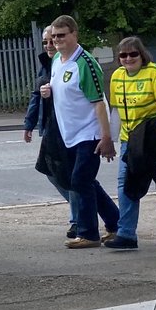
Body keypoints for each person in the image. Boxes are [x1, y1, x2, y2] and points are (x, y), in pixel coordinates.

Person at [44, 15, 119, 249]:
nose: (57, 41)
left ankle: (89, 233)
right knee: (86, 181)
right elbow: (64, 92)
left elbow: (98, 102)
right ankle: (117, 222)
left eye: (62, 35)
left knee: (80, 180)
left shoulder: (84, 63)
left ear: (74, 34)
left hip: (90, 133)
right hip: (70, 134)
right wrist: (48, 91)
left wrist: (106, 138)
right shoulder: (57, 60)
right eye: (54, 36)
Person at [107, 36, 156, 251]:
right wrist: (110, 140)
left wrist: (151, 131)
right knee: (127, 186)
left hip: (155, 141)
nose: (128, 59)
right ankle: (126, 234)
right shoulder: (117, 76)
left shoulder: (154, 73)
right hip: (130, 142)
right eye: (123, 55)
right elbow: (115, 110)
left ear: (142, 55)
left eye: (133, 54)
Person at [25, 26, 77, 237]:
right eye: (47, 41)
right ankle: (83, 210)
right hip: (49, 126)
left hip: (66, 127)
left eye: (53, 40)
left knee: (69, 174)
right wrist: (29, 124)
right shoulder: (47, 65)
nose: (49, 45)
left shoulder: (70, 64)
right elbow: (36, 95)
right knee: (51, 172)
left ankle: (78, 219)